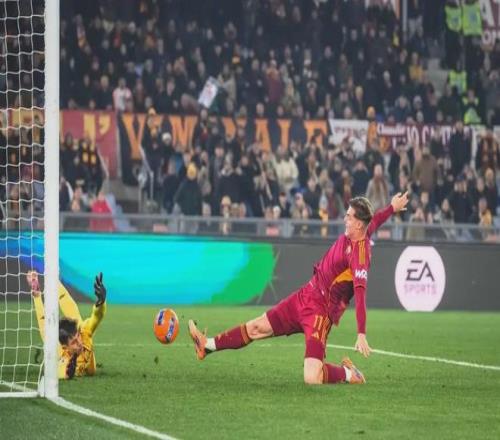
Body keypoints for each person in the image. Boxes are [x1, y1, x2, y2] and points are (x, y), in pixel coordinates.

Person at [188, 192, 409, 385]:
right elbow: (374, 221)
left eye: (349, 216)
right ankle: (207, 346)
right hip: (306, 295)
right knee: (256, 327)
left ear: (359, 224)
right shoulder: (359, 231)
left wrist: (361, 333)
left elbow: (360, 294)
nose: (345, 219)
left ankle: (349, 374)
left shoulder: (360, 255)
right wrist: (392, 207)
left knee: (312, 378)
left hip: (320, 313)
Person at [27, 271, 107, 379]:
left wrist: (101, 303)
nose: (79, 343)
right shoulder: (61, 352)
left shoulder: (84, 332)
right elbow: (58, 371)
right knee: (48, 336)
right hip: (65, 357)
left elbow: (96, 317)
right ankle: (46, 287)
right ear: (66, 347)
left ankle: (54, 280)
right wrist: (66, 373)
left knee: (74, 314)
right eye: (74, 342)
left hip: (89, 364)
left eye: (77, 337)